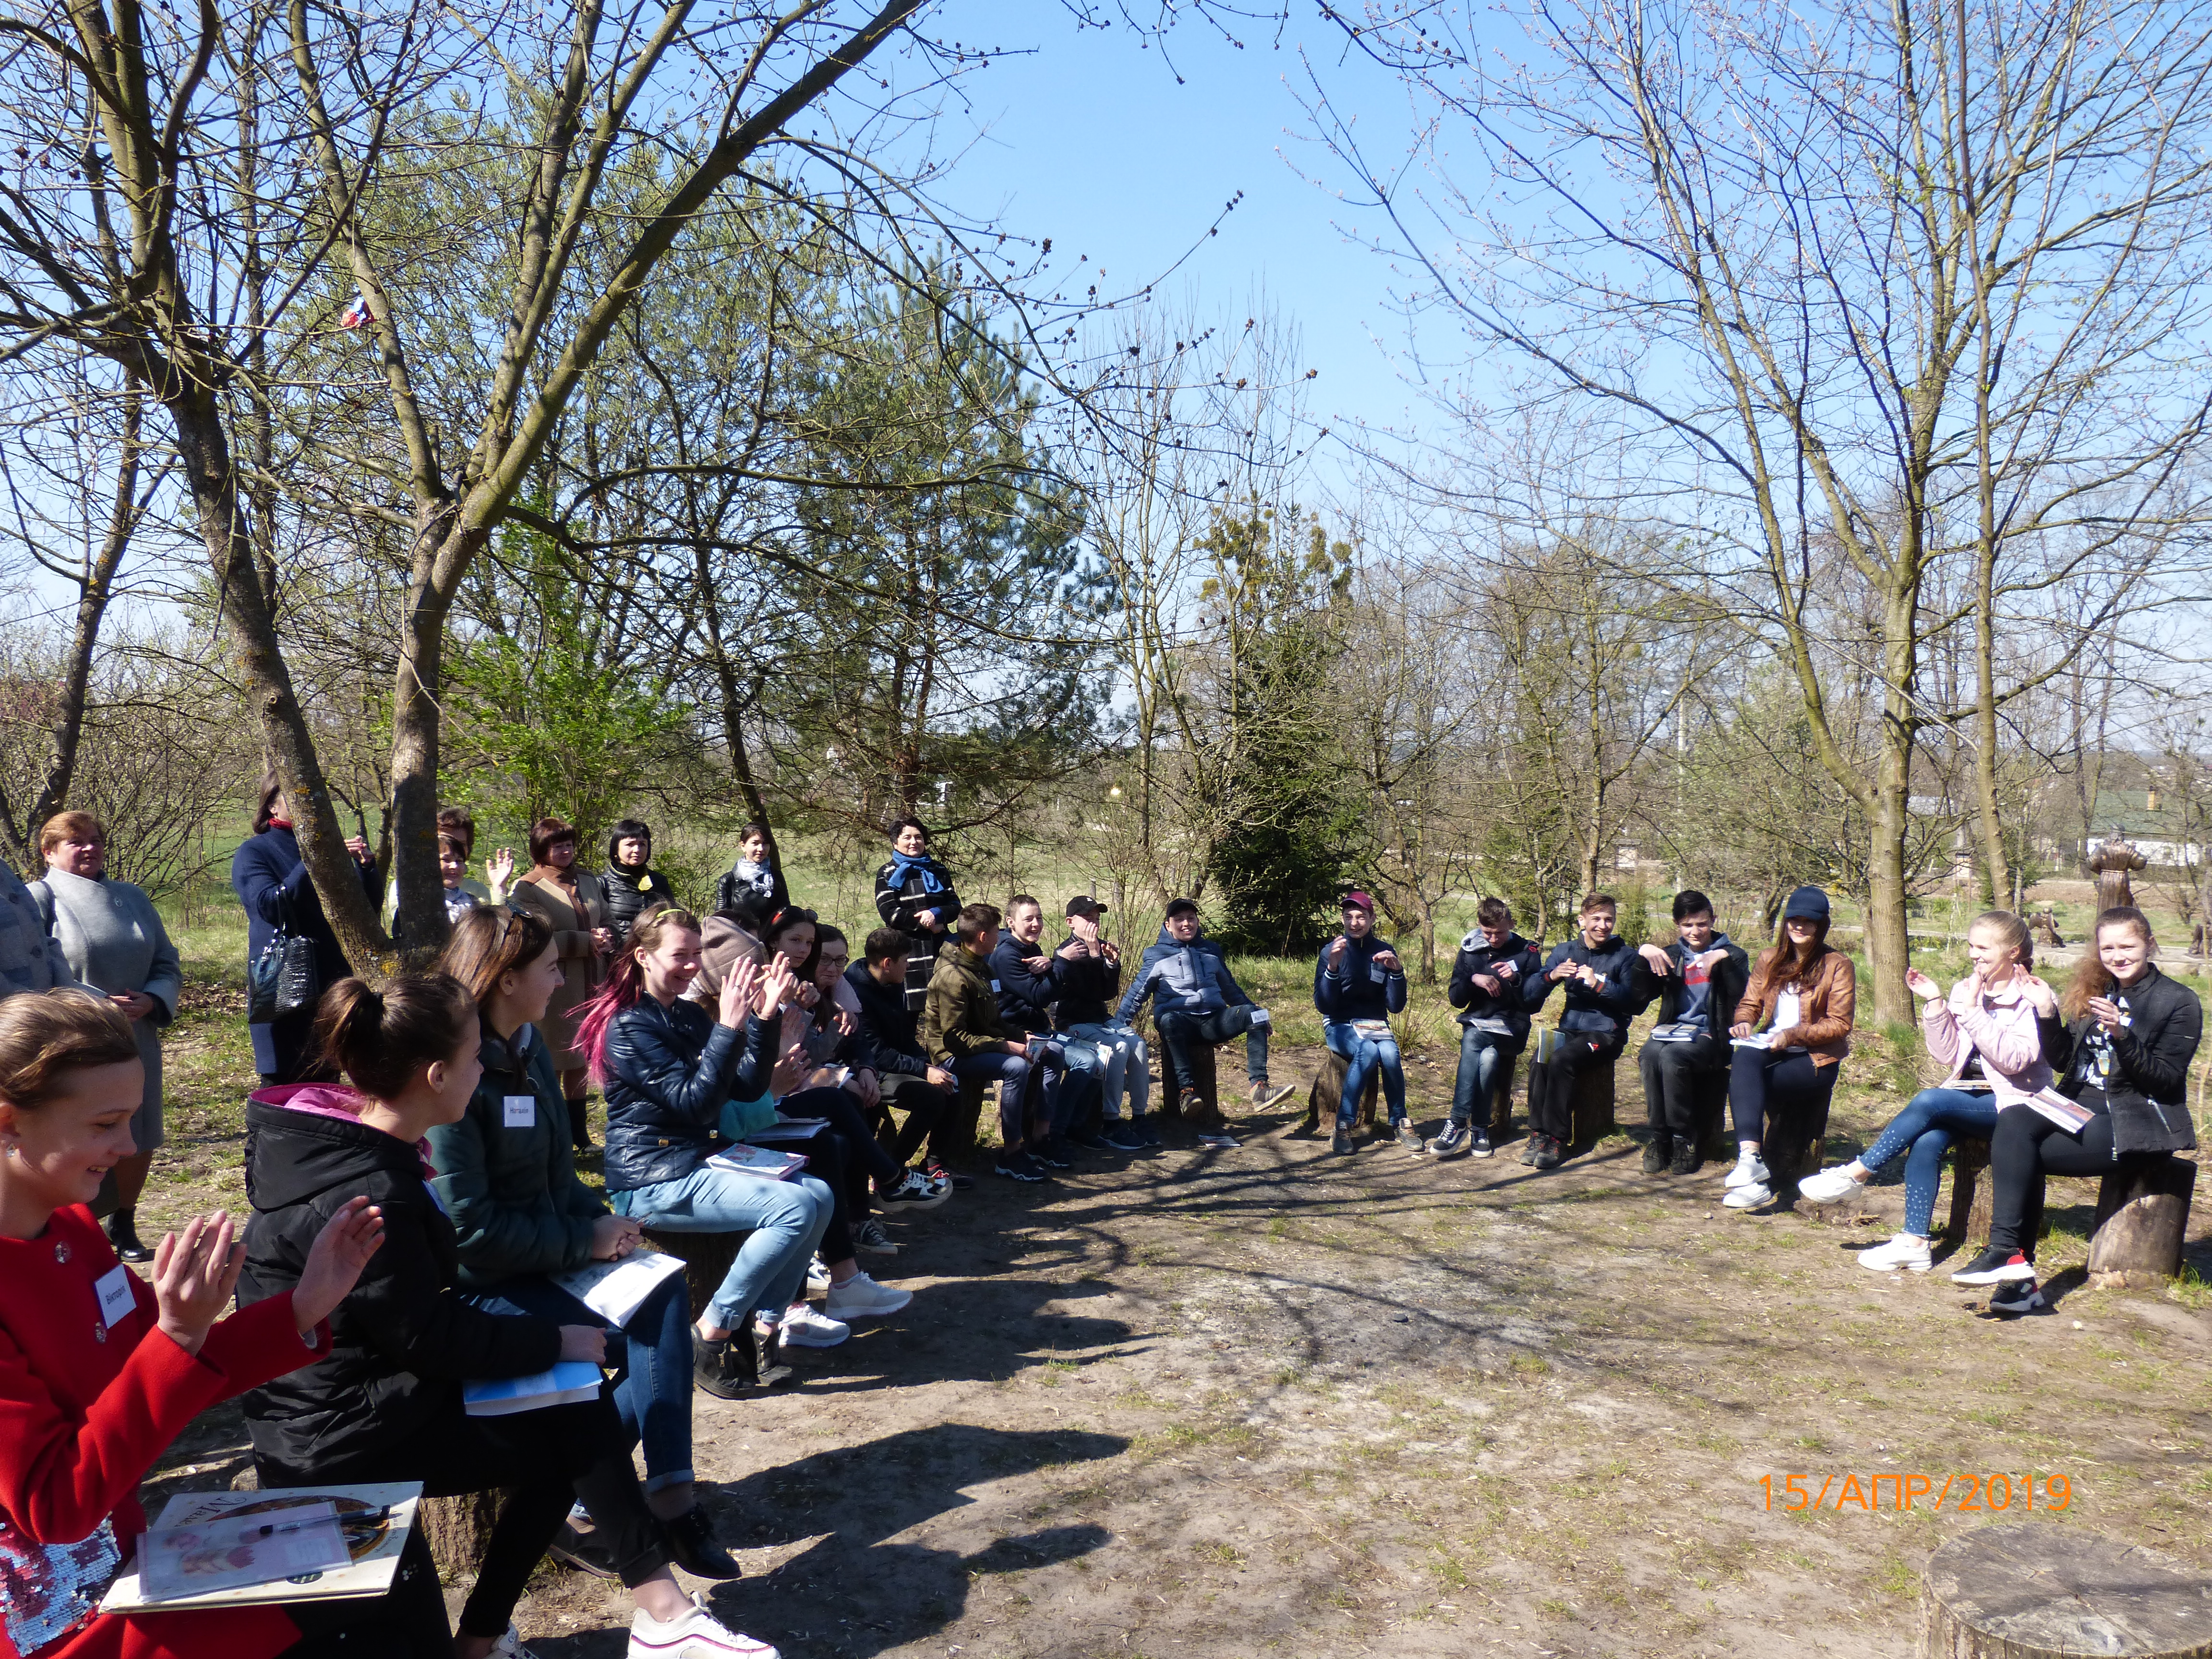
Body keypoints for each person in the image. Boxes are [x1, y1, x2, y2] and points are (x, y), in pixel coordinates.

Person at [237, 974, 775, 1659]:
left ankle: (532, 1632)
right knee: (575, 1419)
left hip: (371, 1399)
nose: (482, 1070)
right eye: (472, 1060)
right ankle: (637, 1622)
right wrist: (554, 1339)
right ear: (436, 1076)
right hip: (342, 1438)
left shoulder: (369, 1152)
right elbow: (426, 1338)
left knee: (577, 1412)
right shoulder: (375, 1191)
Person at [0, 990, 391, 1659]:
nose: (128, 1146)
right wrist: (177, 1336)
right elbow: (56, 1505)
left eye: (132, 1118)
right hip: (54, 1622)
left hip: (121, 1567)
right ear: (8, 1122)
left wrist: (302, 1306)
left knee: (376, 1589)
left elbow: (169, 1372)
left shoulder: (70, 1227)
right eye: (104, 1124)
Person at [430, 907, 737, 1577]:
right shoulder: (455, 1068)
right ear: (506, 981)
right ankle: (648, 1504)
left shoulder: (529, 1047)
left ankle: (653, 1493)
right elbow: (470, 1232)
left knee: (662, 1312)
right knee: (646, 1341)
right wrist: (583, 1240)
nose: (560, 979)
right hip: (488, 1286)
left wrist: (608, 1225)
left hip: (550, 1258)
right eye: (548, 968)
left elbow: (557, 1175)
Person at [585, 909, 908, 1386]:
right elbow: (694, 1105)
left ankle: (765, 1327)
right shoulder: (631, 1026)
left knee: (817, 1194)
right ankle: (712, 1330)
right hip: (653, 1179)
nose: (692, 965)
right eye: (680, 955)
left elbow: (747, 1085)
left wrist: (763, 1016)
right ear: (642, 957)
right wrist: (729, 1028)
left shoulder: (686, 1014)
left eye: (697, 955)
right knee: (795, 1207)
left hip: (698, 1163)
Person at [1952, 906, 2201, 1314]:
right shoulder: (2097, 988)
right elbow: (2065, 1060)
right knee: (2015, 1118)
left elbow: (2166, 1080)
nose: (2117, 956)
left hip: (2135, 1118)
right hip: (2075, 1105)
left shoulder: (2178, 1000)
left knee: (2020, 1154)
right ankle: (2008, 1257)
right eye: (2108, 948)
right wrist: (2047, 1014)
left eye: (2128, 946)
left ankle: (2016, 1273)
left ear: (2149, 944)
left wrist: (2123, 1036)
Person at [1797, 911, 2050, 1274]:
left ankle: (1857, 1173)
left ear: (2013, 952)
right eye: (1970, 946)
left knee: (1929, 1100)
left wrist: (1976, 1011)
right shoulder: (1967, 988)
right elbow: (1947, 1055)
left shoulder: (2031, 995)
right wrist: (1934, 1004)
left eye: (1983, 948)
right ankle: (1915, 1243)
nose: (1974, 955)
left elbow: (2016, 1061)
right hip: (1968, 1096)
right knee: (1929, 1139)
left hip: (2018, 1105)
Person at [28, 811, 183, 1263]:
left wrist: (153, 1000)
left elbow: (167, 963)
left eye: (96, 840)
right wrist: (93, 1004)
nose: (91, 848)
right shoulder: (38, 899)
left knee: (137, 1130)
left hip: (136, 1038)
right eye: (77, 842)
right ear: (49, 851)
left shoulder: (131, 897)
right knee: (79, 1131)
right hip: (72, 1042)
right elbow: (36, 976)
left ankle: (125, 1220)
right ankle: (73, 1225)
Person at [230, 771, 378, 1086]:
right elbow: (270, 906)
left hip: (329, 988)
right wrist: (314, 858)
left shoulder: (327, 850)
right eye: (295, 798)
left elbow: (364, 912)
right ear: (272, 807)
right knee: (282, 1100)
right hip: (283, 990)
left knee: (326, 1092)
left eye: (311, 798)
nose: (306, 806)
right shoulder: (254, 852)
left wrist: (366, 869)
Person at [1720, 887, 1856, 1210]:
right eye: (1793, 920)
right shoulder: (1770, 958)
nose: (1799, 927)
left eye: (1808, 922)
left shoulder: (1838, 964)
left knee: (1751, 1087)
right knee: (1744, 1060)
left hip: (1816, 1059)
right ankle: (1751, 1160)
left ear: (1821, 925)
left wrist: (1793, 1035)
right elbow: (1750, 1003)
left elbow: (1840, 1024)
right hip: (1772, 1046)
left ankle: (1763, 1179)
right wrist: (1743, 1021)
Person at [1116, 900, 1287, 1142]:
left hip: (1214, 1021)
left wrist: (1258, 1014)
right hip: (1179, 1023)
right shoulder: (1156, 955)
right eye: (1179, 920)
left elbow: (1231, 990)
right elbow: (1137, 994)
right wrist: (1117, 1026)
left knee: (1255, 1014)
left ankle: (1259, 1088)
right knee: (1169, 1021)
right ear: (1168, 925)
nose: (1186, 924)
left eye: (1191, 918)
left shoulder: (1211, 951)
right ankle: (1187, 1093)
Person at [923, 903, 1056, 1182]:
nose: (1001, 936)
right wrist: (1006, 1046)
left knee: (1052, 1052)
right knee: (1016, 1067)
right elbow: (955, 1038)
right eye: (997, 931)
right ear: (983, 937)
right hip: (951, 1055)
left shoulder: (982, 968)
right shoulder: (953, 977)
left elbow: (993, 1022)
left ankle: (1043, 1140)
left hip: (980, 1046)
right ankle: (1011, 1154)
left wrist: (1022, 1036)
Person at [1522, 892, 1652, 1170]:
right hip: (1569, 1028)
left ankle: (1558, 1138)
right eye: (1596, 919)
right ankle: (1538, 1133)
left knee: (1562, 1060)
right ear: (1582, 920)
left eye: (1609, 919)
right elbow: (1529, 996)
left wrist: (1600, 985)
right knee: (1541, 1057)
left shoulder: (1626, 956)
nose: (1603, 926)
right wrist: (1551, 976)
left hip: (1606, 1034)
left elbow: (1636, 1003)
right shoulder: (1566, 951)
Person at [507, 815, 612, 1152]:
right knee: (548, 1062)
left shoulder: (588, 879)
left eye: (569, 843)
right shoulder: (528, 888)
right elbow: (532, 936)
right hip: (554, 988)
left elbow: (606, 917)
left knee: (582, 1062)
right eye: (557, 845)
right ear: (541, 849)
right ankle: (541, 1140)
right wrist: (583, 941)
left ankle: (579, 1136)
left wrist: (609, 935)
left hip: (592, 984)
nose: (566, 850)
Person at [1633, 890, 1750, 1177]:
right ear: (1677, 924)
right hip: (1673, 1032)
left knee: (1673, 1058)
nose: (1695, 932)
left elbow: (1742, 996)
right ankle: (1660, 1136)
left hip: (1712, 1036)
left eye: (1702, 924)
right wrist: (1643, 954)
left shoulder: (1732, 954)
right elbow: (1638, 999)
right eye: (1688, 925)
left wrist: (1725, 958)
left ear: (1713, 920)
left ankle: (1683, 1138)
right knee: (1649, 1055)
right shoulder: (1671, 956)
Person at [848, 927, 972, 1190]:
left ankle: (936, 1164)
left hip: (894, 1063)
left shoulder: (891, 983)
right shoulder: (856, 993)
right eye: (906, 961)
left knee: (951, 1086)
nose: (909, 966)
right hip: (866, 1070)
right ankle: (891, 1172)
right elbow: (876, 1052)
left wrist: (930, 1066)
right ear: (887, 963)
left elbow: (904, 1038)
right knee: (931, 1097)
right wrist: (923, 1071)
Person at [990, 896, 1102, 1165]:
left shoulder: (1029, 947)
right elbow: (1040, 997)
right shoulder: (1007, 955)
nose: (1036, 924)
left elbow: (1051, 989)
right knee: (1082, 1061)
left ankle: (1063, 1129)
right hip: (1019, 1033)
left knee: (1101, 1058)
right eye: (1028, 919)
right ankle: (1047, 1135)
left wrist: (1052, 963)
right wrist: (1061, 961)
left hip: (1041, 1030)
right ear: (1011, 922)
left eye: (1039, 918)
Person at [1433, 897, 1542, 1160]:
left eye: (1500, 933)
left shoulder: (1528, 952)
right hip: (1479, 1022)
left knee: (1473, 1040)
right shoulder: (1471, 950)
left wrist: (1517, 980)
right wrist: (1473, 979)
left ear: (1512, 924)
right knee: (1488, 1055)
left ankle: (1457, 1121)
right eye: (1487, 933)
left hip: (1512, 1029)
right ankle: (1480, 1129)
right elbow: (1456, 999)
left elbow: (1535, 1004)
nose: (1493, 940)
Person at [1054, 897, 1155, 1153]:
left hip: (1100, 1019)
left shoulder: (1098, 948)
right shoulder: (1066, 953)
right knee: (1118, 1047)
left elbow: (1108, 993)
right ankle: (1110, 1121)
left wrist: (1112, 964)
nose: (1094, 924)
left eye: (1097, 919)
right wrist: (1097, 956)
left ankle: (1140, 1118)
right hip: (1073, 1021)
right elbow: (1088, 992)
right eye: (1087, 919)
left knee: (1138, 1045)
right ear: (1070, 922)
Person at [1315, 891, 1412, 1156]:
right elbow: (1324, 1005)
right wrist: (1332, 968)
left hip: (1375, 1024)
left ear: (1372, 919)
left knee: (1391, 1054)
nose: (1354, 923)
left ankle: (1400, 1121)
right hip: (1340, 1024)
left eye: (1361, 917)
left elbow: (1396, 1006)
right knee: (1367, 1051)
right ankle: (1343, 1124)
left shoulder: (1383, 951)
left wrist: (1397, 973)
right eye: (1349, 917)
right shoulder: (1332, 951)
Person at [873, 818, 962, 1013]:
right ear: (896, 843)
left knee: (944, 1013)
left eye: (919, 837)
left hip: (941, 950)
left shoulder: (938, 870)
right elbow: (891, 914)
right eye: (908, 838)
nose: (914, 842)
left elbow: (955, 906)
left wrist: (937, 913)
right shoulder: (887, 873)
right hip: (905, 953)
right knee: (908, 1017)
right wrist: (926, 922)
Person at [381, 805, 512, 931]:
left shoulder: (477, 892)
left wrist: (499, 889)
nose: (453, 849)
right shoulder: (406, 887)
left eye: (460, 844)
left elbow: (496, 933)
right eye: (446, 841)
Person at [600, 819, 676, 945]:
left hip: (655, 955)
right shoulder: (603, 884)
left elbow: (672, 918)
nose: (637, 850)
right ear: (616, 848)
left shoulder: (659, 881)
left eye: (642, 844)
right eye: (630, 844)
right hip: (617, 958)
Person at [714, 822, 788, 916]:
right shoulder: (728, 881)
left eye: (765, 843)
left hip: (770, 931)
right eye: (755, 843)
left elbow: (786, 914)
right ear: (743, 846)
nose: (761, 849)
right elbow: (721, 921)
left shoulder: (776, 876)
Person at [2088, 827, 2146, 912]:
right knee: (2121, 905)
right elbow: (2141, 861)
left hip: (2105, 880)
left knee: (2105, 904)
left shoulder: (2101, 848)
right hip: (2121, 879)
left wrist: (2101, 871)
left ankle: (2104, 921)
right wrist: (2131, 865)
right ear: (2121, 835)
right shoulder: (2127, 849)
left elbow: (2091, 863)